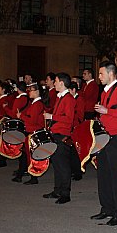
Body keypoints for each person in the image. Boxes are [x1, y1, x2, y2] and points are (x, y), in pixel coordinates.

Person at [90, 61, 117, 226]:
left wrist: (107, 111)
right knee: (103, 174)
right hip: (103, 137)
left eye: (101, 74)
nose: (99, 77)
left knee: (116, 176)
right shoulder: (104, 91)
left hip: (116, 137)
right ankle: (106, 208)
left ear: (111, 74)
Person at [41, 72, 76, 204]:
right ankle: (57, 190)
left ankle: (65, 194)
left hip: (63, 135)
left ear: (61, 83)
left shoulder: (69, 99)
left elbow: (68, 119)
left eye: (55, 81)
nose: (54, 83)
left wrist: (52, 117)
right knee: (56, 164)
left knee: (63, 165)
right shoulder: (60, 97)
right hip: (56, 134)